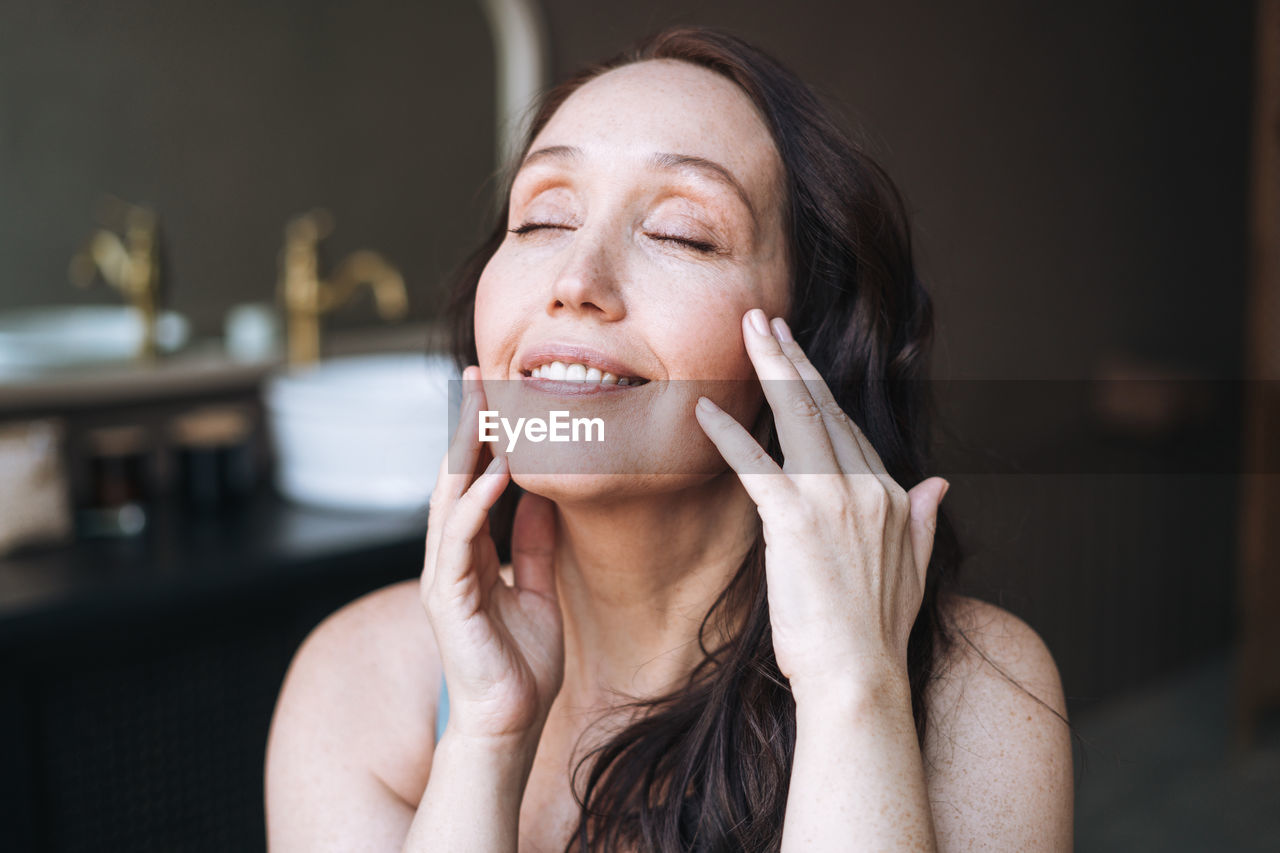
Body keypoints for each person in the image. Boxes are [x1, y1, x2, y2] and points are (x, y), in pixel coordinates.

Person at [264, 26, 1073, 852]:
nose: (575, 283)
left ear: (808, 349)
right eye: (542, 220)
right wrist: (485, 741)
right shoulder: (360, 685)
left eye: (682, 234)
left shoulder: (977, 697)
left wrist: (852, 692)